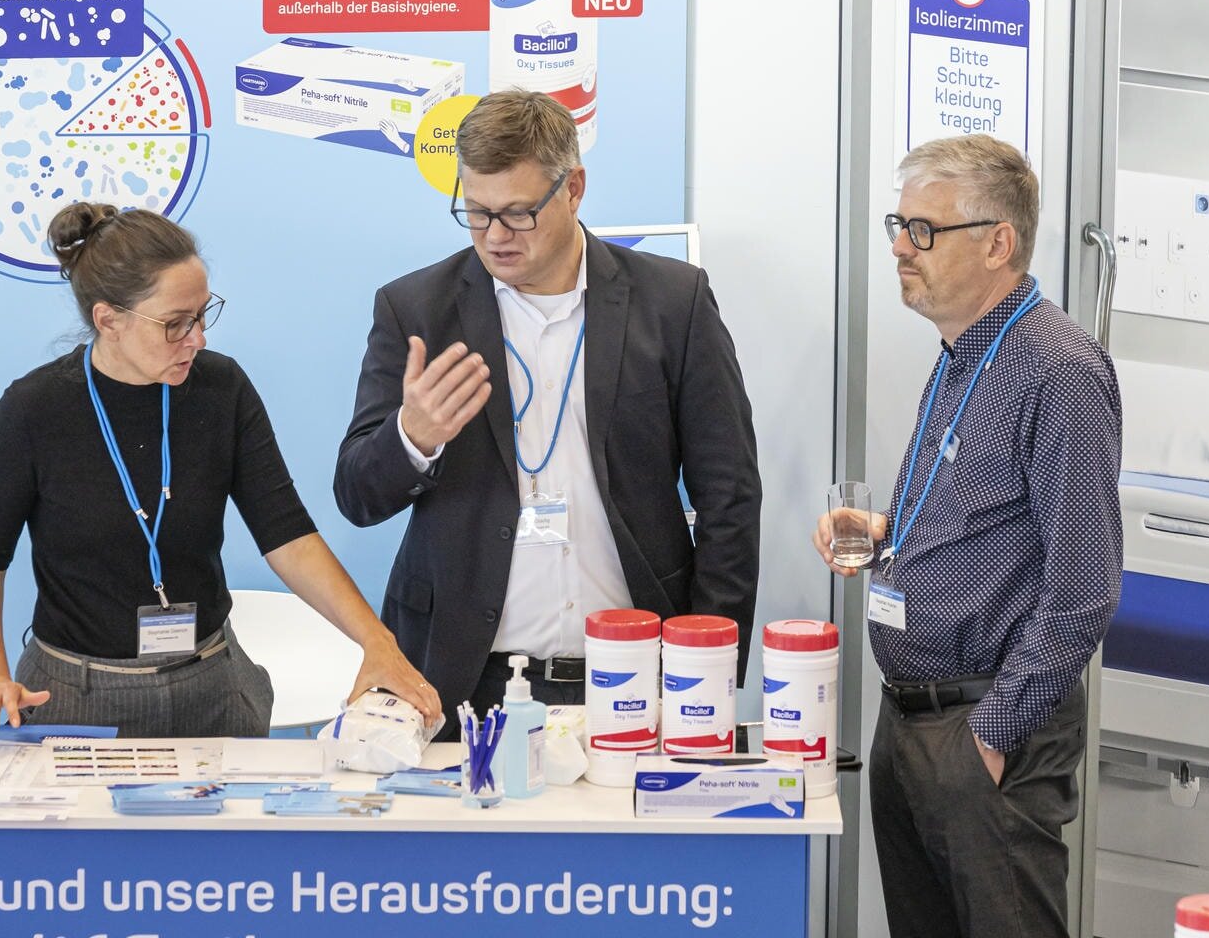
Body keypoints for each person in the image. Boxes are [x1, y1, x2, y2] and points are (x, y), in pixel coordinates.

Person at [334, 90, 762, 723]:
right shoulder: (417, 309)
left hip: (637, 673)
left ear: (573, 189)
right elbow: (357, 497)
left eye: (518, 213)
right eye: (476, 212)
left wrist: (707, 666)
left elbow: (730, 495)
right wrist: (412, 437)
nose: (495, 236)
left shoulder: (673, 302)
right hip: (461, 677)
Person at [0, 202, 441, 737]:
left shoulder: (221, 389)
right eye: (175, 324)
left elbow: (288, 536)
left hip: (211, 685)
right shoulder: (34, 410)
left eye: (203, 314)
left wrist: (377, 641)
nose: (198, 338)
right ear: (108, 320)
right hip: (76, 696)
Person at [815, 135, 1122, 937]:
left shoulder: (1058, 371)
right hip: (910, 721)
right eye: (900, 225)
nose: (899, 247)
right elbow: (989, 523)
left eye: (923, 230)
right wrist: (887, 536)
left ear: (997, 244)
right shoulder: (964, 354)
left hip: (984, 729)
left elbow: (1083, 589)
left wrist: (991, 736)